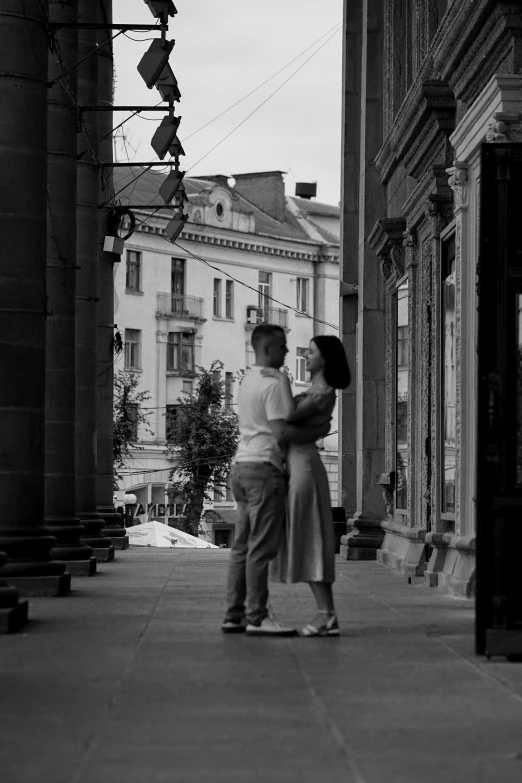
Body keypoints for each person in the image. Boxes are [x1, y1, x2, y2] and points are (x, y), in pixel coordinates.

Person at [222, 324, 330, 636]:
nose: (286, 352)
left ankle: (234, 615)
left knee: (241, 546)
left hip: (240, 467)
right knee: (261, 547)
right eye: (282, 346)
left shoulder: (247, 379)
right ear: (267, 349)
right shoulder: (278, 379)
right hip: (264, 470)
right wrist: (317, 433)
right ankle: (257, 617)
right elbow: (281, 430)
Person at [265, 335, 351, 637]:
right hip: (300, 465)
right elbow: (293, 428)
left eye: (311, 352)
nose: (306, 356)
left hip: (303, 467)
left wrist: (280, 379)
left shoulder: (320, 391)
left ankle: (327, 614)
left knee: (311, 538)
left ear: (324, 358)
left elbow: (285, 422)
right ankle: (326, 614)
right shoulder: (318, 391)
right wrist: (316, 429)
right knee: (309, 537)